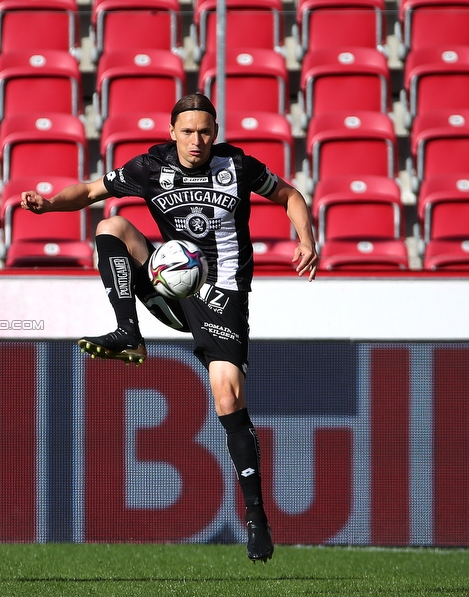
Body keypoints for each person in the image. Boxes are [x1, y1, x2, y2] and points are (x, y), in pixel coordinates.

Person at [20, 93, 318, 563]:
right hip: (171, 286)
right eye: (187, 131)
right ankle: (128, 334)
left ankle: (256, 517)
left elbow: (289, 195)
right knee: (113, 226)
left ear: (214, 132)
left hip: (221, 295)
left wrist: (306, 238)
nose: (196, 140)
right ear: (172, 131)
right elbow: (91, 191)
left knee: (228, 397)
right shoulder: (151, 167)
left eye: (204, 131)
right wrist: (48, 204)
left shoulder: (237, 166)